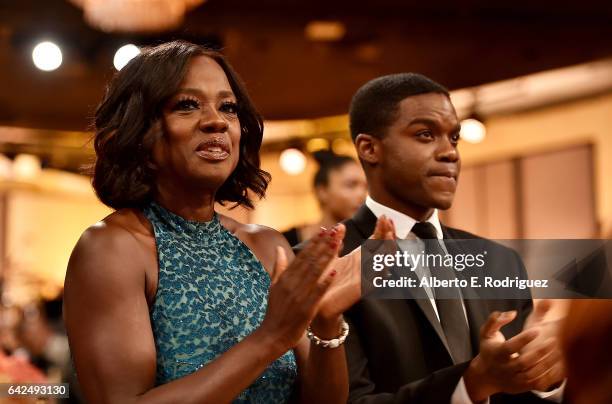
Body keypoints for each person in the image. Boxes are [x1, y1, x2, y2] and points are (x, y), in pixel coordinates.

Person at [63, 40, 381, 404]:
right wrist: (270, 338)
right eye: (186, 105)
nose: (217, 121)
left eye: (228, 108)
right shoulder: (113, 248)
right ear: (140, 131)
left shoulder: (267, 247)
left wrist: (326, 321)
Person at [337, 73, 566, 403]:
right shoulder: (328, 262)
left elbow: (519, 391)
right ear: (370, 148)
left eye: (454, 138)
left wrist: (545, 374)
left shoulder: (500, 262)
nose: (450, 153)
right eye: (426, 134)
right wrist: (471, 383)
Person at [283, 150, 367, 246]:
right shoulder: (284, 242)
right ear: (322, 191)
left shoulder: (370, 242)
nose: (362, 194)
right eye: (351, 185)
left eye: (366, 187)